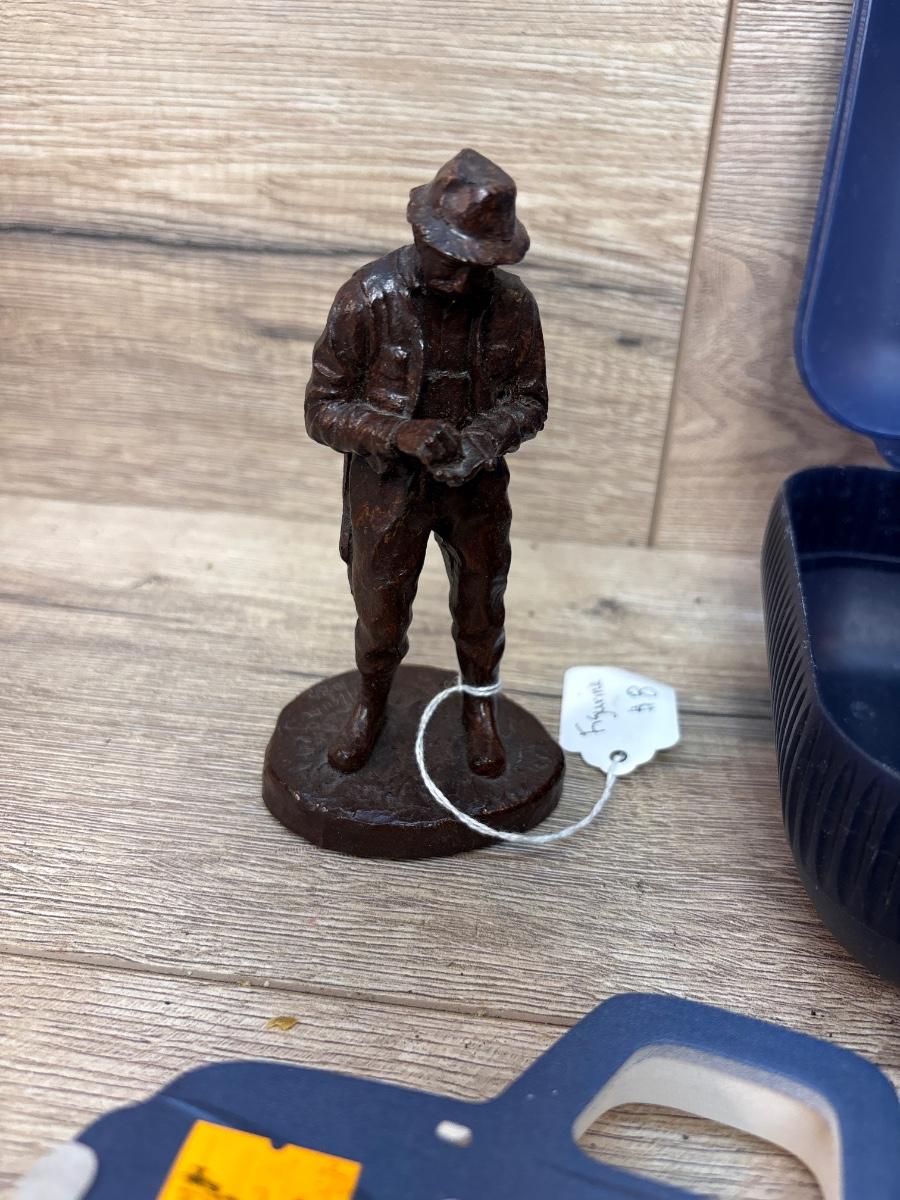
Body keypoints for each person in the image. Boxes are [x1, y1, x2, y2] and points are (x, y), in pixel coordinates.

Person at [305, 148, 549, 778]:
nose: (465, 281)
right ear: (422, 235)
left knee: (482, 605)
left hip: (476, 487)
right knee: (380, 612)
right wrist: (399, 433)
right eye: (453, 261)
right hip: (387, 491)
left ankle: (479, 707)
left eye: (480, 265)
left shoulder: (513, 306)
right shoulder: (368, 297)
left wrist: (480, 441)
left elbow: (530, 400)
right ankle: (370, 703)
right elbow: (323, 408)